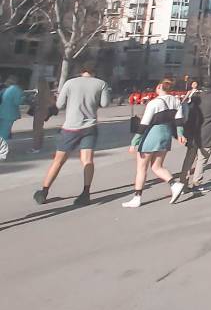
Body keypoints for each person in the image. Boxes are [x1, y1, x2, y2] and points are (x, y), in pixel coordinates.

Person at [34, 66, 111, 205]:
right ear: (93, 72)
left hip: (70, 127)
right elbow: (105, 104)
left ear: (81, 71)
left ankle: (44, 191)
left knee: (58, 161)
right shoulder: (101, 83)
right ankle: (85, 193)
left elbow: (60, 104)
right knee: (87, 160)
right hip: (90, 127)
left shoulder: (70, 83)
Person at [122, 79, 187, 209]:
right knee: (157, 166)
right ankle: (174, 184)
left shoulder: (154, 103)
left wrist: (134, 142)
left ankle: (137, 197)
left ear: (159, 87)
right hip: (166, 134)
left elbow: (144, 124)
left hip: (152, 134)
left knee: (141, 168)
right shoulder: (176, 101)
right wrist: (180, 134)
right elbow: (179, 121)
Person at [0, 75, 25, 161]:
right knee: (4, 134)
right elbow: (17, 102)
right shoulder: (17, 89)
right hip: (9, 114)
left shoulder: (5, 89)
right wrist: (24, 98)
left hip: (1, 112)